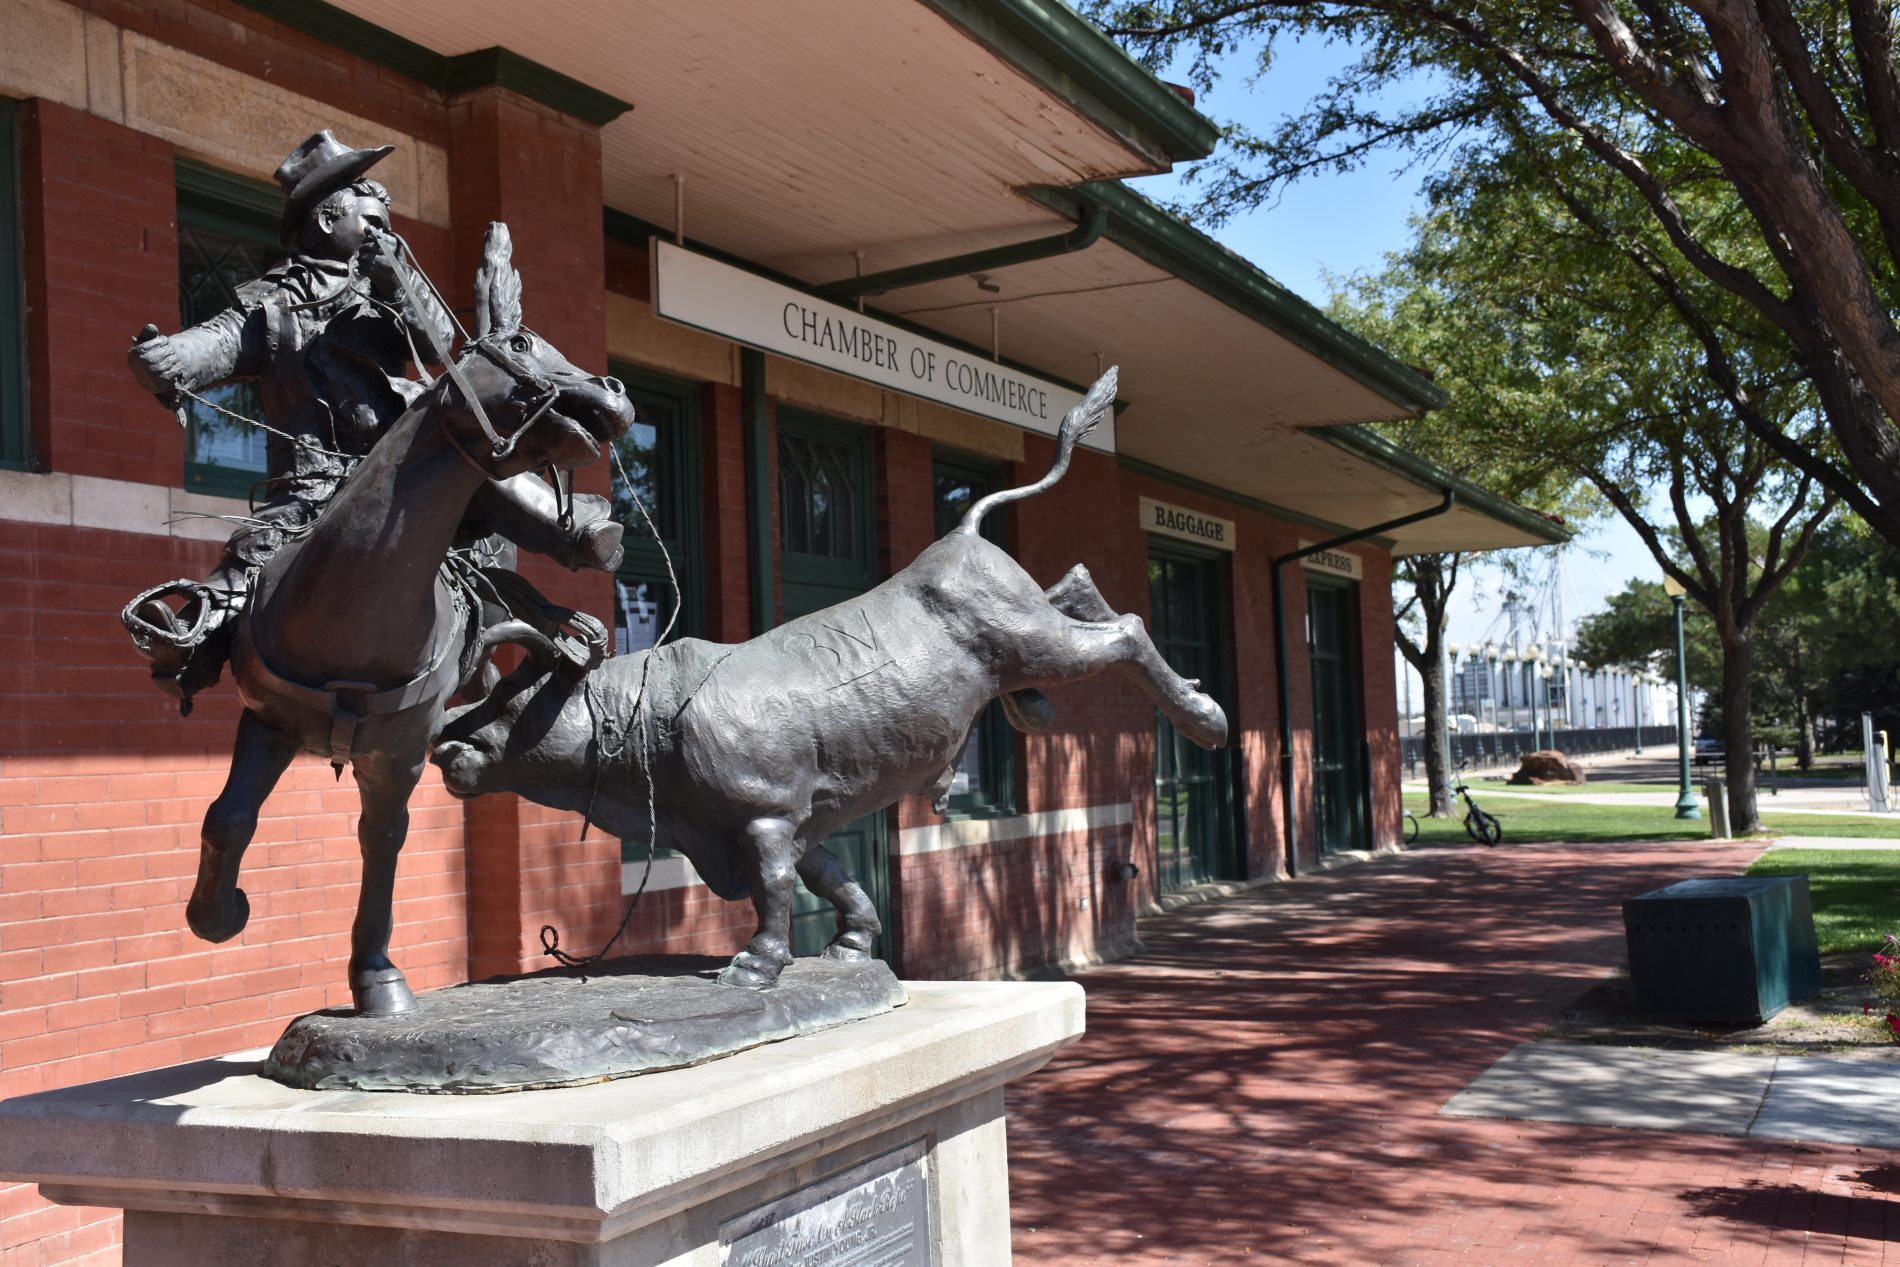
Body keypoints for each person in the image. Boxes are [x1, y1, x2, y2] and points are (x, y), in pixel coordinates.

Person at [125, 130, 622, 708]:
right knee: (254, 556)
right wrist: (164, 359)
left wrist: (398, 282)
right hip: (312, 486)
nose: (386, 234)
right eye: (374, 222)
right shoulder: (269, 305)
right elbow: (208, 347)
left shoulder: (387, 294)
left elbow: (438, 344)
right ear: (326, 219)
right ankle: (192, 637)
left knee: (471, 462)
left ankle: (575, 529)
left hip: (401, 470)